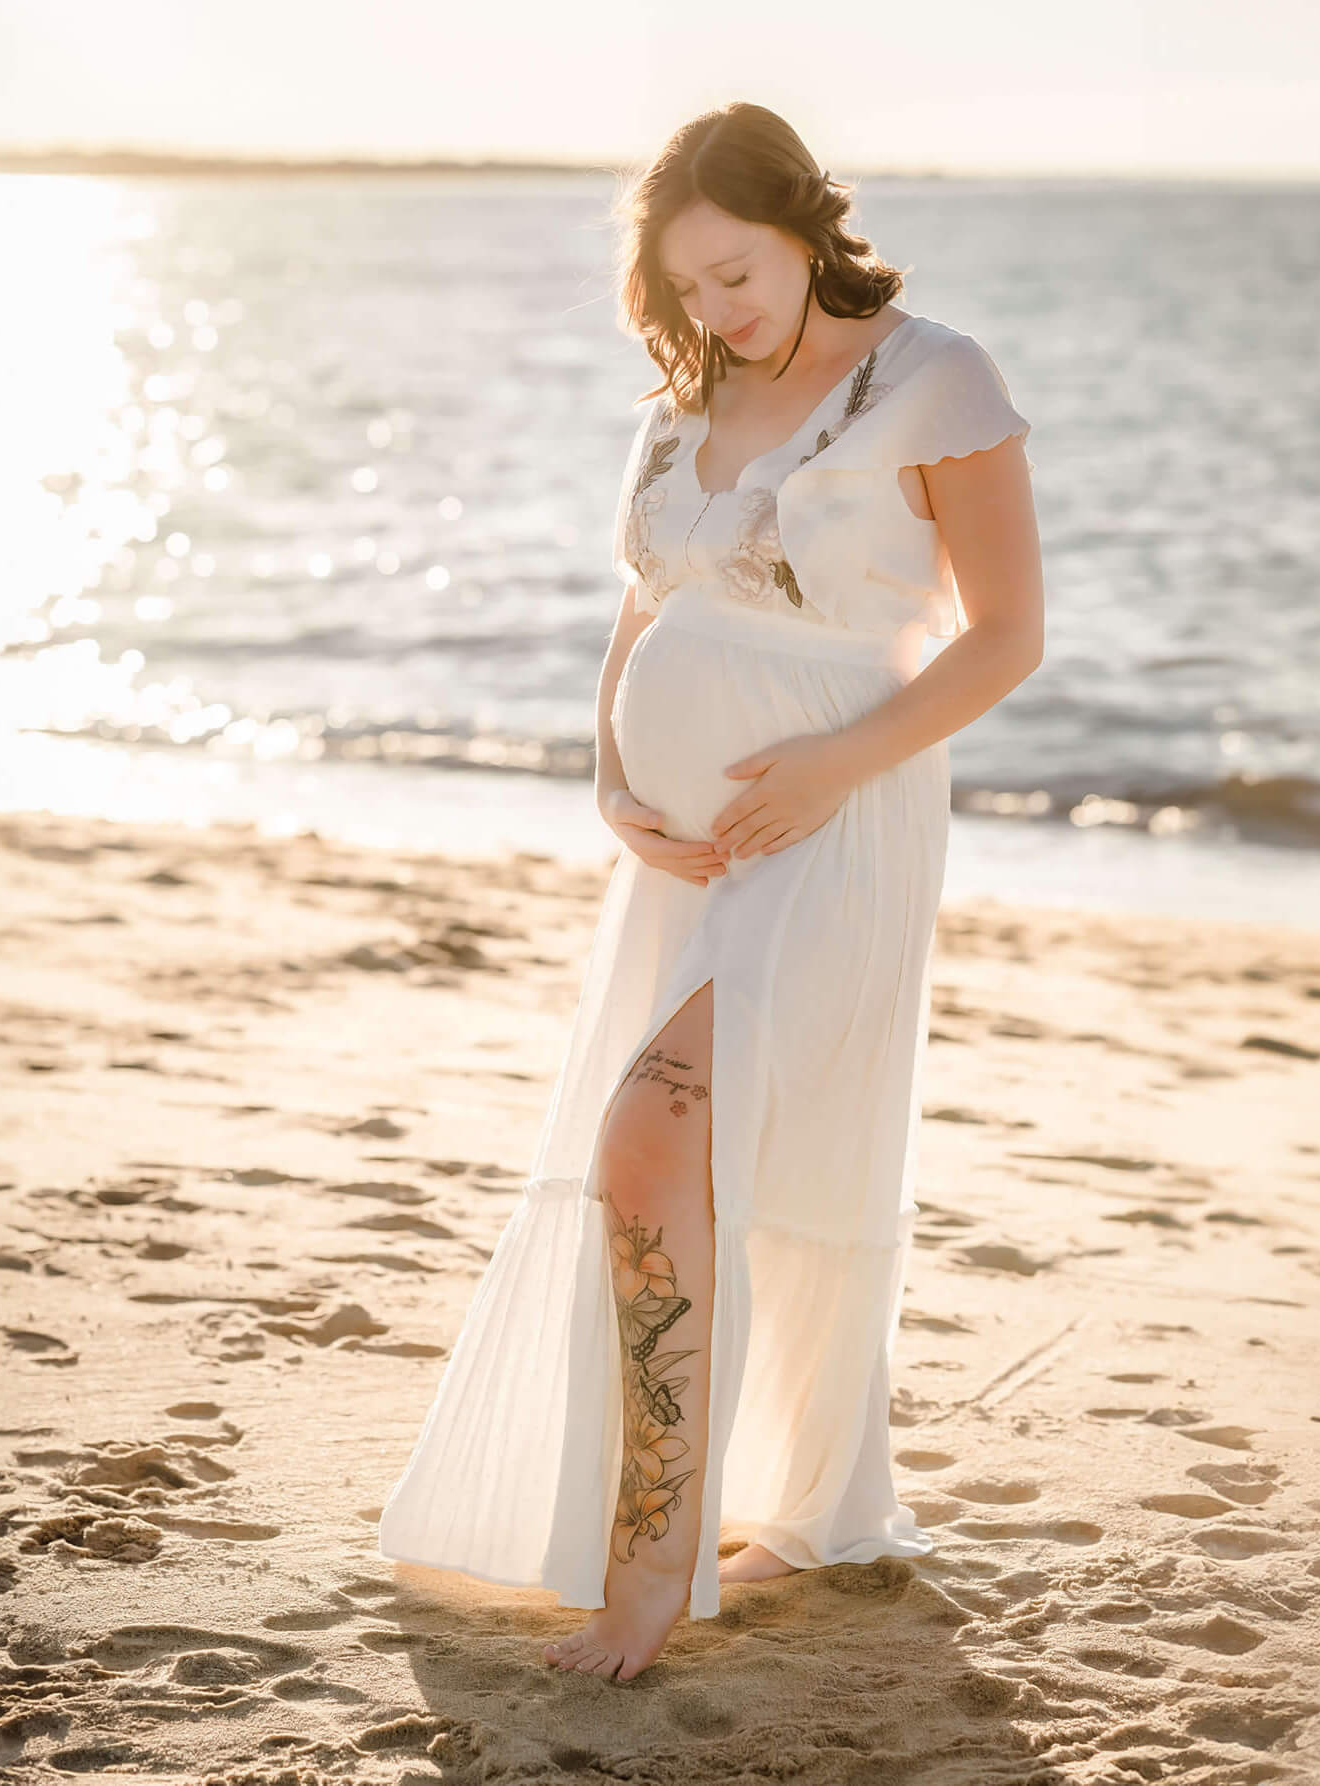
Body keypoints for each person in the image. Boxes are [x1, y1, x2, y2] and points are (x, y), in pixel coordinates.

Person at [378, 102, 1045, 1683]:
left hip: (838, 823)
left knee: (655, 1132)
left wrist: (826, 767)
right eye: (688, 290)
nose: (720, 313)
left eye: (737, 273)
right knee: (706, 1156)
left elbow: (1004, 636)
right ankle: (758, 1510)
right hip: (683, 847)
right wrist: (609, 777)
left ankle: (648, 1570)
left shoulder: (934, 379)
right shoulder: (687, 402)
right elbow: (649, 601)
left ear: (807, 227)